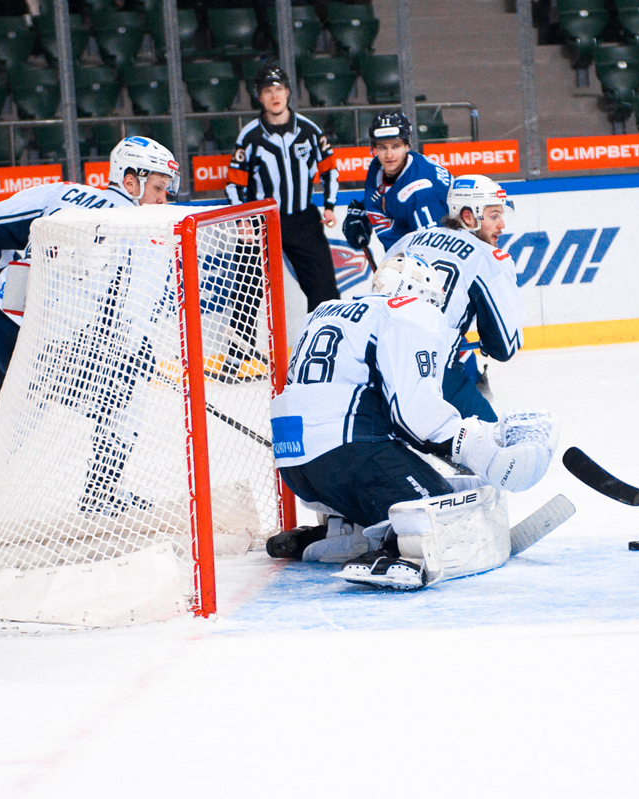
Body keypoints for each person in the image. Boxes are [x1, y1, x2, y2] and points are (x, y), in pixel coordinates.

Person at [265, 251, 559, 590]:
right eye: (433, 302)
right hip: (347, 457)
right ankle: (397, 551)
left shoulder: (325, 311)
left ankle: (338, 532)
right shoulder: (407, 312)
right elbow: (416, 415)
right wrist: (482, 449)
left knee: (389, 471)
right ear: (418, 294)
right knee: (440, 511)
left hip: (294, 466)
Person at [0, 136, 179, 447]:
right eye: (158, 188)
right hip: (43, 352)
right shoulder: (141, 232)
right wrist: (139, 361)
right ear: (130, 182)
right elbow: (129, 323)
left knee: (7, 433)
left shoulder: (63, 194)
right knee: (125, 400)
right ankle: (104, 481)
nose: (163, 200)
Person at [386, 174, 523, 424]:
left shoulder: (408, 241)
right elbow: (505, 347)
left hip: (379, 368)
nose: (502, 225)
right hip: (434, 374)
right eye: (494, 216)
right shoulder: (488, 259)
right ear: (468, 217)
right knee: (493, 441)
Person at [226, 67, 340, 313]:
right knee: (246, 291)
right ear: (260, 96)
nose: (274, 95)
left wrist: (329, 205)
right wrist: (242, 220)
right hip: (261, 222)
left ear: (288, 91)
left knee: (324, 289)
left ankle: (323, 333)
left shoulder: (309, 131)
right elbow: (235, 184)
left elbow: (329, 169)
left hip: (303, 220)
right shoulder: (250, 136)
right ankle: (239, 339)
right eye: (268, 91)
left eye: (278, 89)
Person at [340, 112, 453, 257]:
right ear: (373, 148)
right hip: (403, 257)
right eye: (382, 147)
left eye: (395, 146)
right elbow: (388, 196)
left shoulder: (420, 193)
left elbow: (435, 251)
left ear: (407, 145)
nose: (389, 155)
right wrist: (362, 211)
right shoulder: (378, 167)